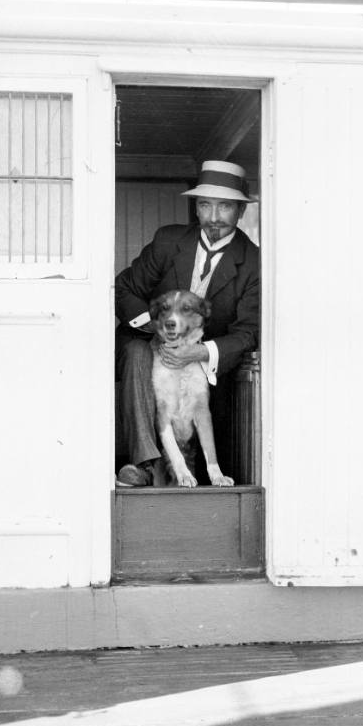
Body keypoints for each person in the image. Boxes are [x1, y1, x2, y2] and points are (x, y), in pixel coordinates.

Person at [115, 159, 259, 487]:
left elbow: (247, 332)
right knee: (139, 353)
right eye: (205, 205)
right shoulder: (168, 242)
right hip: (146, 342)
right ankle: (146, 464)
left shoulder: (253, 263)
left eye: (225, 207)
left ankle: (187, 468)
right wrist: (155, 328)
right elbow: (124, 288)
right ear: (196, 208)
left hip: (204, 361)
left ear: (241, 212)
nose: (213, 217)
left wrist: (196, 354)